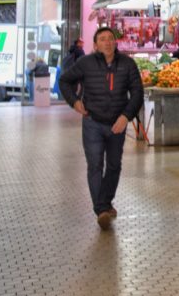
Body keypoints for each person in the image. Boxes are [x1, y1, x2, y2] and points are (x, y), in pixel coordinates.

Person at [58, 27, 143, 230]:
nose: (107, 42)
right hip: (93, 122)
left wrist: (126, 117)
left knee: (114, 165)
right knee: (95, 165)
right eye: (102, 39)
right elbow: (64, 80)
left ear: (116, 42)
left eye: (110, 39)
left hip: (117, 124)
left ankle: (104, 203)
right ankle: (102, 210)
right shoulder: (85, 63)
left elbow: (138, 92)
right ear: (95, 45)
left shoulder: (128, 64)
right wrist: (75, 102)